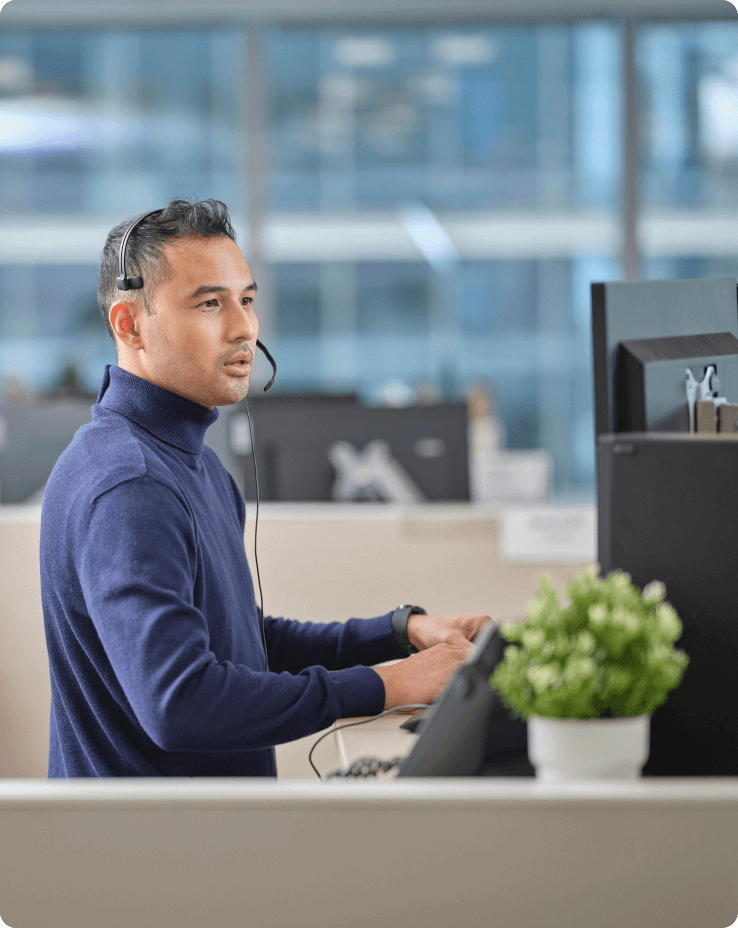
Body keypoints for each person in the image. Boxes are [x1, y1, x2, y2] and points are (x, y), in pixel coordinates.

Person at [40, 198, 491, 777]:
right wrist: (384, 686)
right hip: (152, 858)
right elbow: (179, 703)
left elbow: (245, 644)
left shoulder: (192, 465)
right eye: (210, 303)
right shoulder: (132, 486)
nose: (244, 328)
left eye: (247, 300)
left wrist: (399, 633)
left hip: (207, 842)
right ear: (129, 324)